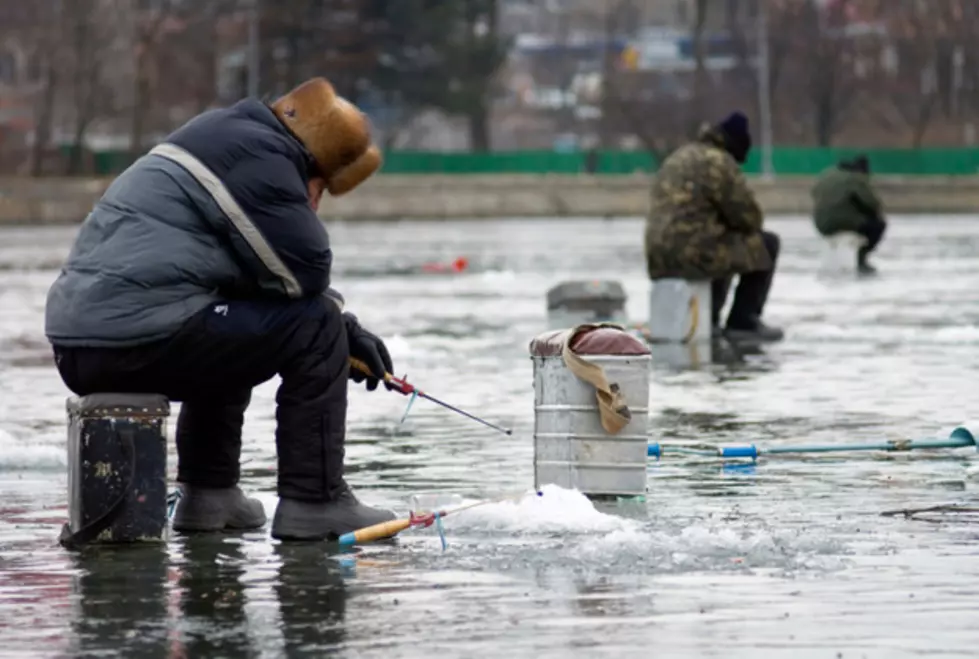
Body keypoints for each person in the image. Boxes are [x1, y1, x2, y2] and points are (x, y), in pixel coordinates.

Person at [45, 77, 400, 541]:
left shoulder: (223, 136)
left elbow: (260, 285)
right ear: (314, 166)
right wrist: (341, 328)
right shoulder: (264, 158)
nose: (313, 204)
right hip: (137, 336)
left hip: (82, 346)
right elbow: (307, 269)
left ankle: (209, 494)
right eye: (319, 191)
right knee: (314, 327)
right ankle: (315, 501)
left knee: (230, 320)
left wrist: (344, 325)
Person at [644, 111, 784, 341]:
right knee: (766, 243)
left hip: (658, 258)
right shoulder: (719, 162)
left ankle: (710, 320)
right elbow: (749, 219)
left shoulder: (679, 156)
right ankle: (743, 321)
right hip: (694, 255)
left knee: (720, 244)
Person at [811, 154, 886, 275]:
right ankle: (861, 260)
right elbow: (872, 204)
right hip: (842, 222)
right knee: (879, 225)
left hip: (820, 224)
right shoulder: (855, 178)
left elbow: (814, 193)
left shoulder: (827, 174)